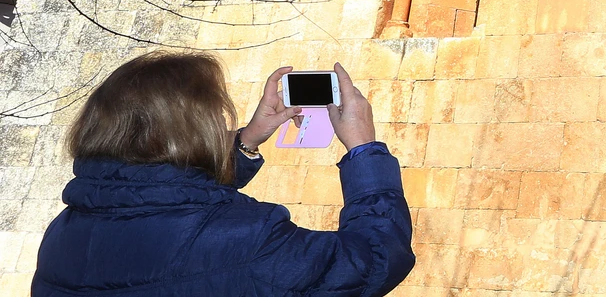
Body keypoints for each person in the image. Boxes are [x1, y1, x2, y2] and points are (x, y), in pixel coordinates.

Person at [33, 52, 414, 296]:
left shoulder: (65, 230)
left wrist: (246, 141)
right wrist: (364, 149)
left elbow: (164, 201)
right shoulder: (251, 238)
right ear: (193, 128)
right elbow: (371, 263)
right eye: (216, 113)